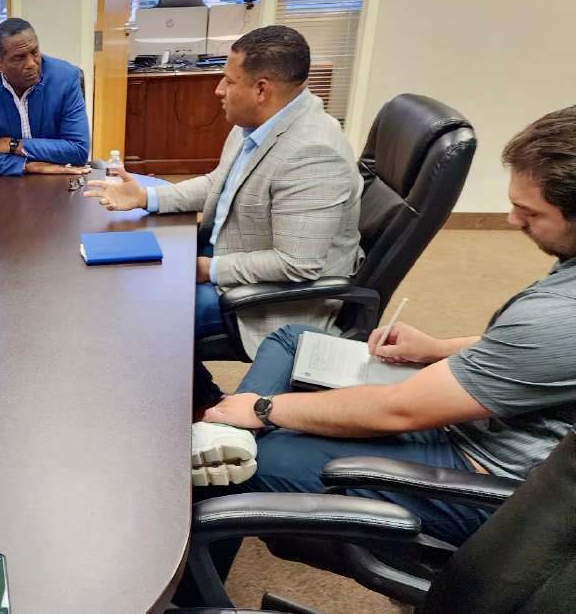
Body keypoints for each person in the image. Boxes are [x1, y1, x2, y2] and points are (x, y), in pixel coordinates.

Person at [178, 105, 576, 603]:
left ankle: (192, 601)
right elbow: (537, 355)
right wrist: (436, 349)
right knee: (293, 341)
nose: (512, 220)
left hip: (484, 478)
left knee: (231, 462)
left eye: (531, 213)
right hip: (478, 412)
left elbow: (399, 410)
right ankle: (233, 431)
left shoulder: (561, 314)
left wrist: (264, 408)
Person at [85, 25, 361, 363]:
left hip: (267, 301)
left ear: (261, 90)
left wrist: (206, 269)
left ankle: (197, 393)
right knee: (124, 280)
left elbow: (296, 264)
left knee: (136, 316)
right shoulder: (259, 123)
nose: (218, 90)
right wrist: (144, 197)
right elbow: (219, 183)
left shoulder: (313, 153)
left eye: (228, 81)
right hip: (229, 253)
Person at [0, 17, 91, 176]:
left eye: (34, 52)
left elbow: (78, 151)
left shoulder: (66, 78)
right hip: (3, 181)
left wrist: (13, 145)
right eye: (19, 58)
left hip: (56, 179)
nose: (32, 64)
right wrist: (27, 166)